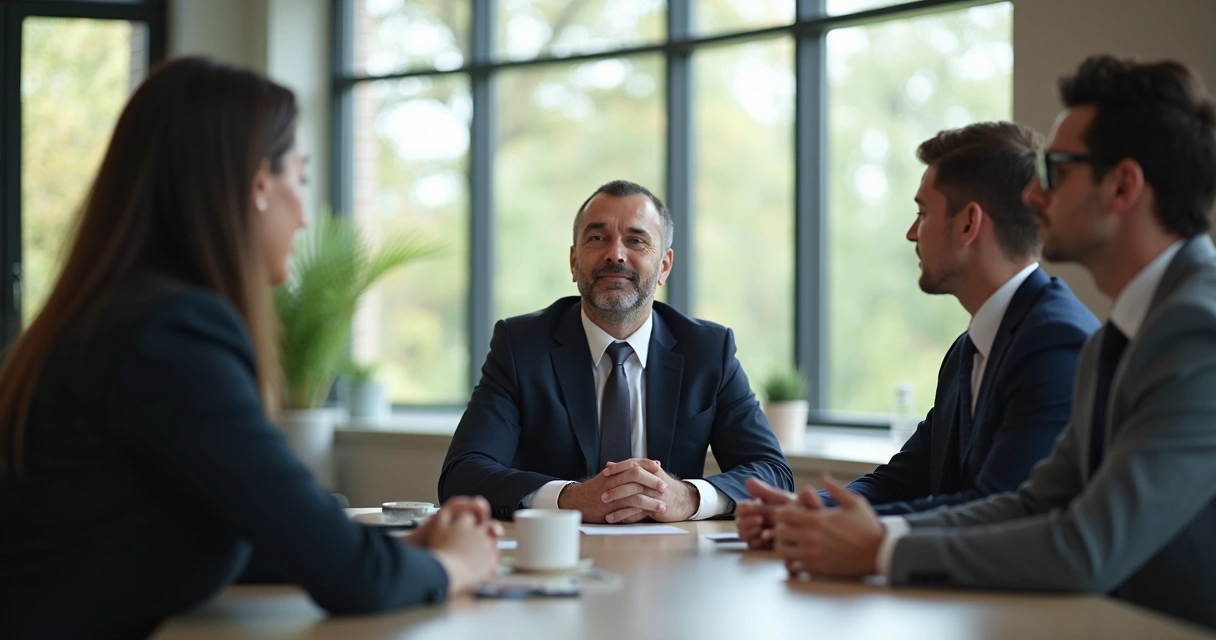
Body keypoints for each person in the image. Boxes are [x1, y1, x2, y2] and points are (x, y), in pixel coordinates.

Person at [0, 57, 500, 639]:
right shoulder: (174, 332)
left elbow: (229, 526)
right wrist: (455, 565)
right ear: (259, 184)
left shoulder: (113, 313)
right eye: (301, 177)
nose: (305, 214)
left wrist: (398, 552)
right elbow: (352, 581)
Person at [767, 55, 1216, 630]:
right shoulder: (1118, 337)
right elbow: (1034, 502)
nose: (1033, 196)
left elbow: (1087, 545)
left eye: (1056, 170)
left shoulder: (1196, 330)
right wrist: (869, 532)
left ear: (1124, 185)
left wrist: (881, 550)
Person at [738, 122, 1099, 546]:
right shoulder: (968, 349)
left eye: (923, 213)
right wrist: (806, 510)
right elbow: (901, 481)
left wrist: (843, 529)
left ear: (968, 224)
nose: (912, 232)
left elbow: (998, 507)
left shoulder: (1055, 341)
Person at [439, 180, 794, 524]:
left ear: (664, 267)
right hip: (553, 555)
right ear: (574, 262)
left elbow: (773, 473)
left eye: (636, 241)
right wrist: (571, 498)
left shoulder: (707, 351)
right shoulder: (521, 346)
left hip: (673, 562)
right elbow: (463, 474)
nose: (616, 254)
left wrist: (687, 496)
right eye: (597, 238)